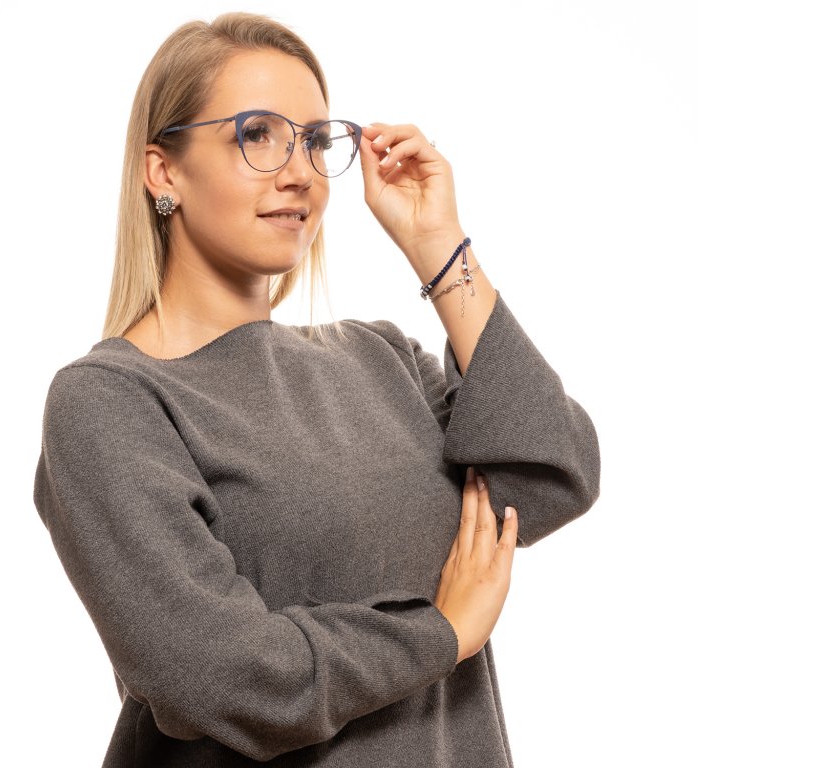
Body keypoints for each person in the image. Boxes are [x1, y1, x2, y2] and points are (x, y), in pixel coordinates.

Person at [32, 11, 601, 767]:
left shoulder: (383, 359)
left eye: (315, 140)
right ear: (163, 172)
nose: (300, 171)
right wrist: (443, 633)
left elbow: (553, 474)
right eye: (257, 135)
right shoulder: (110, 402)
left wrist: (439, 248)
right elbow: (220, 678)